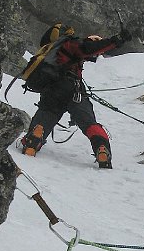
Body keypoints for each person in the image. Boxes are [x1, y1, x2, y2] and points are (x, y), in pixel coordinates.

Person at [20, 26, 131, 168]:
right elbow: (89, 48)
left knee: (45, 118)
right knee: (89, 123)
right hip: (73, 90)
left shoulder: (51, 52)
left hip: (52, 91)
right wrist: (117, 40)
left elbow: (90, 52)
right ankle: (101, 148)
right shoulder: (70, 43)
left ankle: (34, 138)